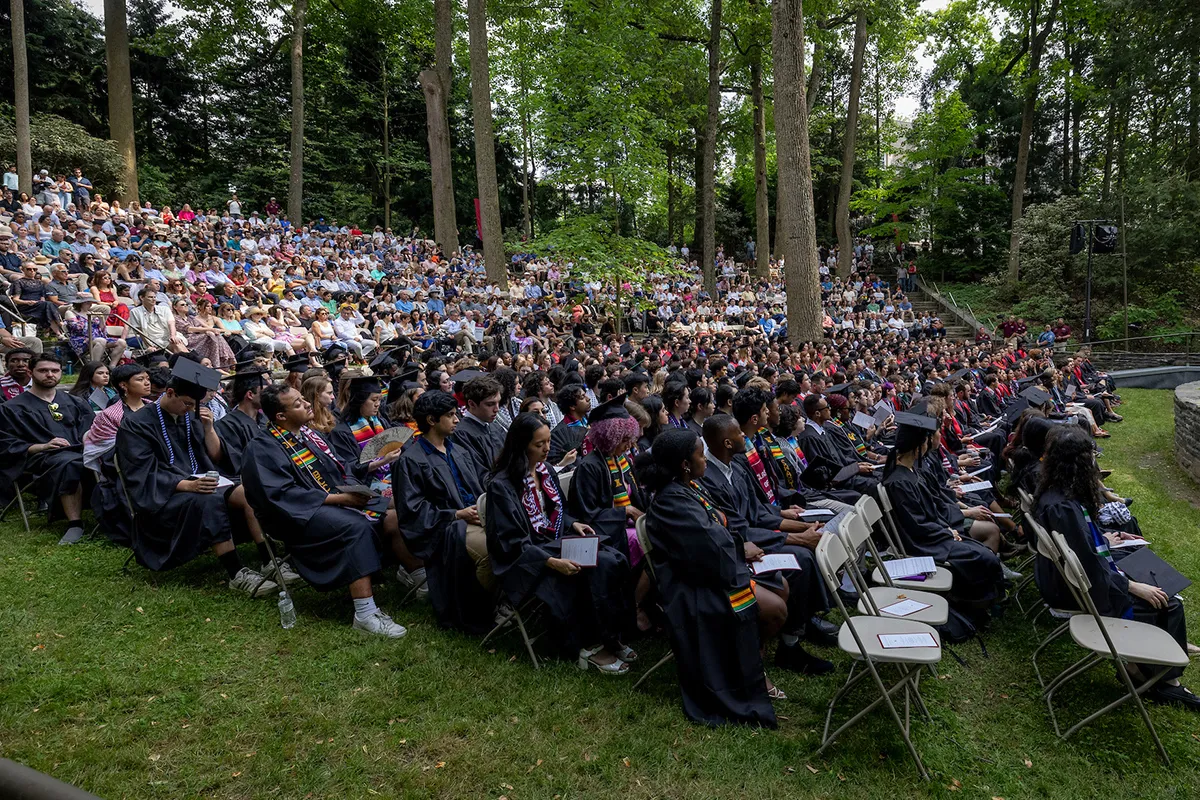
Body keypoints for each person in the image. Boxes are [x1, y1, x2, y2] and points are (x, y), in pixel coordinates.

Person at [1034, 424, 1200, 709]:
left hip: (1071, 582)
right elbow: (1090, 569)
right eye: (1091, 457)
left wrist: (1105, 539)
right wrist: (1131, 585)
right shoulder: (1063, 507)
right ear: (1079, 463)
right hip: (1079, 592)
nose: (1094, 463)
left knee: (1144, 566)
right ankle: (1163, 681)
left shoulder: (1058, 495)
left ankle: (1153, 658)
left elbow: (1085, 551)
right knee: (1166, 600)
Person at [241, 385, 413, 638]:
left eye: (303, 399)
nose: (307, 404)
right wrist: (341, 499)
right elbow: (281, 495)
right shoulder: (262, 448)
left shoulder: (309, 435)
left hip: (331, 501)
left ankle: (415, 574)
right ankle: (365, 613)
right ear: (280, 416)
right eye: (298, 404)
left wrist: (376, 463)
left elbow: (341, 469)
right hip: (294, 516)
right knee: (356, 526)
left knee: (397, 510)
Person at [639, 427, 785, 725]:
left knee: (782, 586)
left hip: (714, 569)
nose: (705, 459)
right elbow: (708, 547)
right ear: (684, 463)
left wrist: (736, 544)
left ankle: (749, 663)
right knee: (775, 609)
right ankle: (745, 671)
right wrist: (739, 549)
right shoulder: (671, 501)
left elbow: (718, 527)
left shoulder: (690, 486)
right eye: (700, 454)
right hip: (694, 585)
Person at [114, 359, 282, 595]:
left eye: (195, 405)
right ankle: (236, 573)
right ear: (170, 392)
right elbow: (141, 472)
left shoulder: (191, 417)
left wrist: (209, 428)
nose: (191, 409)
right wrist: (187, 485)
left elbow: (216, 457)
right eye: (187, 403)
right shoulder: (136, 424)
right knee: (209, 499)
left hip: (202, 482)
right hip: (165, 498)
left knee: (247, 491)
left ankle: (269, 560)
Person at [486, 412, 635, 671]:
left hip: (554, 542)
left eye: (548, 441)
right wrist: (552, 562)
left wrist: (572, 523)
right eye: (539, 444)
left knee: (612, 558)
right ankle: (589, 645)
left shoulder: (545, 472)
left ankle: (611, 635)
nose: (547, 449)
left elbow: (559, 511)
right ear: (521, 445)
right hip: (526, 559)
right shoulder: (503, 486)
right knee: (594, 569)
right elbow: (509, 540)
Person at [701, 413, 837, 674]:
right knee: (802, 559)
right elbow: (738, 529)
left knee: (808, 549)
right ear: (727, 443)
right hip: (741, 547)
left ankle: (803, 624)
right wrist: (796, 538)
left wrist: (803, 526)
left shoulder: (736, 467)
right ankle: (790, 645)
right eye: (738, 434)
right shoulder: (710, 480)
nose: (744, 436)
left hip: (757, 534)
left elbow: (758, 511)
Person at [392, 390, 494, 632]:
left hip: (478, 515)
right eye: (450, 415)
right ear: (431, 420)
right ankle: (491, 606)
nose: (457, 419)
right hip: (446, 527)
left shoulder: (458, 450)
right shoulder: (411, 460)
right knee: (493, 550)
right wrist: (455, 515)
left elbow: (483, 481)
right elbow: (412, 511)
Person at [881, 411, 1004, 613]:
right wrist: (947, 531)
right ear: (919, 446)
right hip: (922, 541)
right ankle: (973, 604)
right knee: (982, 557)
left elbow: (930, 507)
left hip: (934, 530)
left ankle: (982, 599)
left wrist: (947, 526)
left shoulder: (912, 470)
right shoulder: (899, 482)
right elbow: (915, 524)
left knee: (981, 551)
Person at [0, 354, 94, 544]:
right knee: (68, 463)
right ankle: (75, 524)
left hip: (79, 451)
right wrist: (43, 446)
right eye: (43, 370)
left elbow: (91, 429)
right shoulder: (12, 408)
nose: (49, 374)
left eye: (54, 371)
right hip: (40, 459)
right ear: (30, 372)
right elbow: (6, 443)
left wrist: (89, 440)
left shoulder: (75, 402)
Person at [450, 375, 505, 483]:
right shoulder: (462, 434)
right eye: (490, 404)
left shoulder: (494, 426)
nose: (497, 409)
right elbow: (479, 476)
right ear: (471, 404)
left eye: (498, 402)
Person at [214, 367, 268, 475]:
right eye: (264, 392)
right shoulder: (228, 425)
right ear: (250, 395)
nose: (269, 396)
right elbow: (237, 462)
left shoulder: (265, 419)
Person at [548, 384, 589, 465]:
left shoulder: (589, 422)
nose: (588, 399)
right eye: (582, 397)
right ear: (572, 406)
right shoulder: (559, 432)